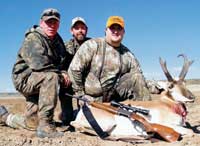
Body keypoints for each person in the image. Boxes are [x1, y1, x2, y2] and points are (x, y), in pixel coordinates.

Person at [0, 8, 73, 138]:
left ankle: (5, 117)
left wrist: (64, 72)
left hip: (41, 81)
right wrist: (61, 74)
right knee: (52, 77)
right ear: (41, 23)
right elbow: (40, 65)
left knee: (32, 123)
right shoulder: (33, 38)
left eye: (54, 23)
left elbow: (62, 62)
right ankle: (46, 126)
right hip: (26, 79)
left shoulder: (58, 41)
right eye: (48, 22)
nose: (51, 25)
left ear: (59, 24)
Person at [68, 16, 159, 104]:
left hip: (115, 100)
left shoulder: (128, 55)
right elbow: (74, 70)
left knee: (137, 77)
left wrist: (160, 87)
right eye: (112, 28)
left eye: (119, 28)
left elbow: (140, 78)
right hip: (91, 100)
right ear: (106, 30)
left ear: (123, 32)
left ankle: (145, 115)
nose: (115, 31)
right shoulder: (92, 45)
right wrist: (80, 95)